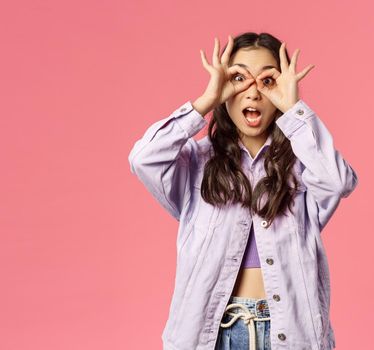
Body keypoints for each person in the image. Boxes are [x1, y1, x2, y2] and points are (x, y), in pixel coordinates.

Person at [128, 32, 358, 350]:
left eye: (267, 81)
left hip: (287, 334)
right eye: (238, 78)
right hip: (211, 335)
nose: (251, 92)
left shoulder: (303, 163)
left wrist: (294, 109)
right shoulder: (197, 161)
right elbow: (143, 158)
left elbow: (339, 181)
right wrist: (205, 102)